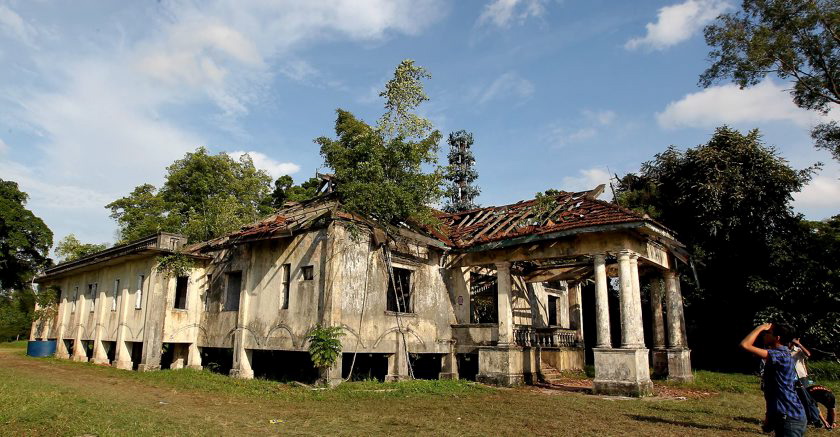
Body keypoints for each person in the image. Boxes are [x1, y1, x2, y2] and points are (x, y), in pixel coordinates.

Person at [741, 322, 807, 436]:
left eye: (768, 333)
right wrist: (769, 418)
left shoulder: (780, 355)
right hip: (784, 417)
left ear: (777, 338)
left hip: (790, 420)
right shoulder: (779, 355)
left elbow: (745, 345)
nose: (764, 335)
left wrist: (760, 327)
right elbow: (774, 392)